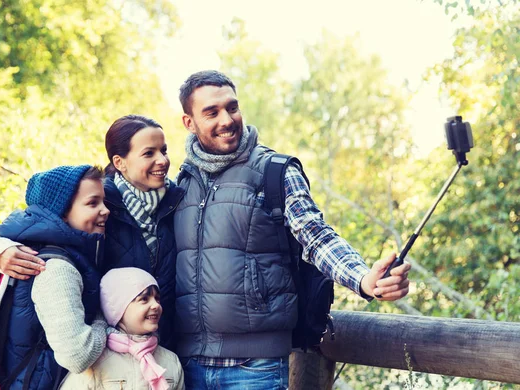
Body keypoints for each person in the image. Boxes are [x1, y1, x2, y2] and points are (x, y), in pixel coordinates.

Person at [172, 70, 412, 389]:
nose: (227, 119)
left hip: (255, 369)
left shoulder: (274, 171)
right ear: (189, 122)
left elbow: (316, 236)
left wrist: (364, 280)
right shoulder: (181, 183)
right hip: (188, 368)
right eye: (211, 112)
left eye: (232, 107)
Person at [0, 115, 184, 350]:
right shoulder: (98, 201)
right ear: (120, 162)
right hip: (110, 349)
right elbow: (37, 223)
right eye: (149, 153)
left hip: (167, 343)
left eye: (164, 150)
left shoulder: (178, 200)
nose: (162, 160)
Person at [0, 165, 109, 389]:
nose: (106, 210)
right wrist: (103, 319)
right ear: (63, 212)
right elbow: (77, 355)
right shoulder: (56, 268)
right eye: (93, 203)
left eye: (103, 202)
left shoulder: (52, 249)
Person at [59, 267, 185, 390]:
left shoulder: (171, 361)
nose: (156, 305)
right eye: (144, 299)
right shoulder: (95, 365)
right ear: (119, 309)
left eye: (157, 298)